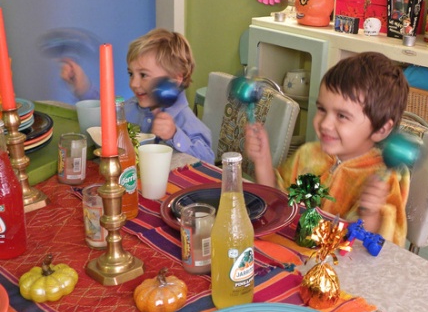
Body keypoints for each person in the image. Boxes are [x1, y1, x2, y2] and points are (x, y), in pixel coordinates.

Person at [244, 52, 410, 246]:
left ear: (381, 129)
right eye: (322, 109)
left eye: (342, 116)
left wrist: (370, 214)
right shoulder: (308, 155)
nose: (325, 124)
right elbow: (276, 205)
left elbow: (380, 250)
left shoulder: (384, 178)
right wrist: (262, 159)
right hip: (292, 255)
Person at [61, 28, 215, 163]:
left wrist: (174, 135)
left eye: (143, 75)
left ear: (175, 78)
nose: (134, 83)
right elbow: (107, 111)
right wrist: (82, 86)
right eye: (131, 74)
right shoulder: (131, 107)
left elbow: (208, 159)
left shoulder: (185, 119)